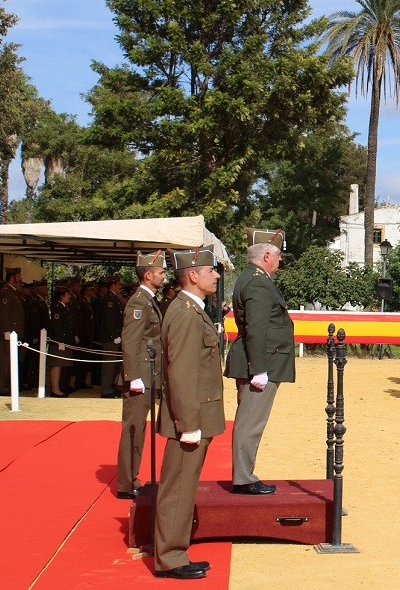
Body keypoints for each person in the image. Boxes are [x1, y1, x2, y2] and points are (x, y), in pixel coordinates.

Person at [154, 245, 224, 580]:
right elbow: (180, 372)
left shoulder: (191, 308)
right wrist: (188, 423)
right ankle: (170, 557)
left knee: (184, 486)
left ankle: (176, 550)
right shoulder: (184, 312)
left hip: (195, 415)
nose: (217, 274)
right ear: (193, 275)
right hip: (189, 418)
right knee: (178, 488)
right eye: (212, 270)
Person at [224, 228, 295, 496]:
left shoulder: (253, 278)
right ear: (266, 255)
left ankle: (245, 474)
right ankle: (243, 477)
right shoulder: (257, 282)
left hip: (257, 361)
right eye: (278, 256)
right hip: (259, 363)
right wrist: (260, 369)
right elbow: (256, 328)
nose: (279, 261)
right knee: (250, 421)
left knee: (250, 420)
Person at [116, 251, 167, 500]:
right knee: (133, 430)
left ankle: (132, 476)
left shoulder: (149, 300)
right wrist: (133, 376)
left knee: (139, 430)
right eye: (160, 272)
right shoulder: (139, 302)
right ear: (148, 275)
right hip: (140, 377)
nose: (164, 276)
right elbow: (131, 341)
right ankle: (126, 483)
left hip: (149, 374)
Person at [0, 267, 25, 397]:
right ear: (12, 278)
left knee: (10, 361)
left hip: (13, 333)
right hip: (7, 333)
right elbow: (3, 313)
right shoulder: (6, 292)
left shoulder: (13, 292)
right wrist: (6, 330)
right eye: (18, 276)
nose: (20, 279)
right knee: (4, 361)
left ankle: (7, 385)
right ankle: (1, 387)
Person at [96, 276, 124, 398]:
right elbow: (109, 320)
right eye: (118, 285)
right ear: (113, 285)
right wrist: (114, 335)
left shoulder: (113, 298)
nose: (120, 287)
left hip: (115, 336)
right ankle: (106, 389)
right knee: (109, 365)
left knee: (114, 364)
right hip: (110, 338)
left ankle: (110, 387)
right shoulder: (109, 300)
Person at [46, 285, 75, 398]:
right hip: (58, 342)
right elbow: (57, 326)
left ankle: (57, 388)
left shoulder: (62, 307)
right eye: (67, 295)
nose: (69, 297)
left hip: (63, 340)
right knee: (56, 365)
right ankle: (55, 389)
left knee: (60, 365)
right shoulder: (57, 307)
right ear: (61, 296)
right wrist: (60, 341)